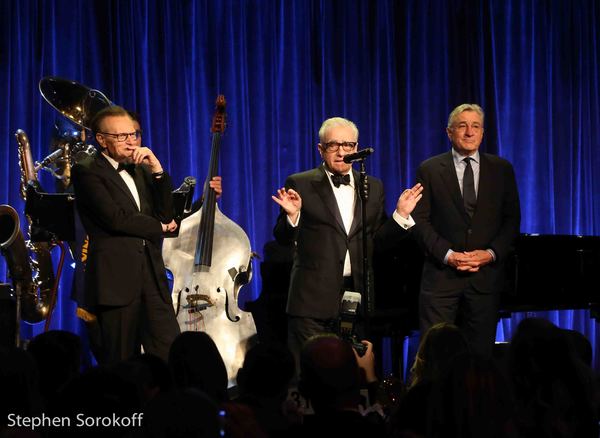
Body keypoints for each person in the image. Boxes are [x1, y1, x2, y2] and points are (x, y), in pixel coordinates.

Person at [272, 117, 422, 366]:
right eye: (333, 145)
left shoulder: (373, 186)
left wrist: (400, 216)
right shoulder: (300, 183)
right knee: (310, 374)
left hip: (357, 297)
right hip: (312, 302)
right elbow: (282, 238)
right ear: (321, 149)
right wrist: (293, 216)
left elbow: (379, 243)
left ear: (357, 148)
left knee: (352, 375)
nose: (342, 152)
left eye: (348, 145)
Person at [72, 105, 179, 364]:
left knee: (170, 353)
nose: (131, 142)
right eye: (122, 136)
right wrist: (159, 228)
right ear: (102, 140)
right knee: (121, 362)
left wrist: (157, 170)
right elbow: (115, 219)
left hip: (152, 277)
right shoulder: (87, 170)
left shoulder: (141, 169)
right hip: (116, 281)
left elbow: (167, 214)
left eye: (135, 135)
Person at [412, 103, 521, 358]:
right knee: (435, 357)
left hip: (485, 281)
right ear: (449, 132)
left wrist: (490, 253)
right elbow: (419, 221)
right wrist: (449, 255)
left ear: (483, 133)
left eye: (475, 126)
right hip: (441, 281)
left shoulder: (502, 169)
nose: (469, 132)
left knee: (480, 358)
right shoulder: (429, 169)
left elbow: (511, 220)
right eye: (462, 126)